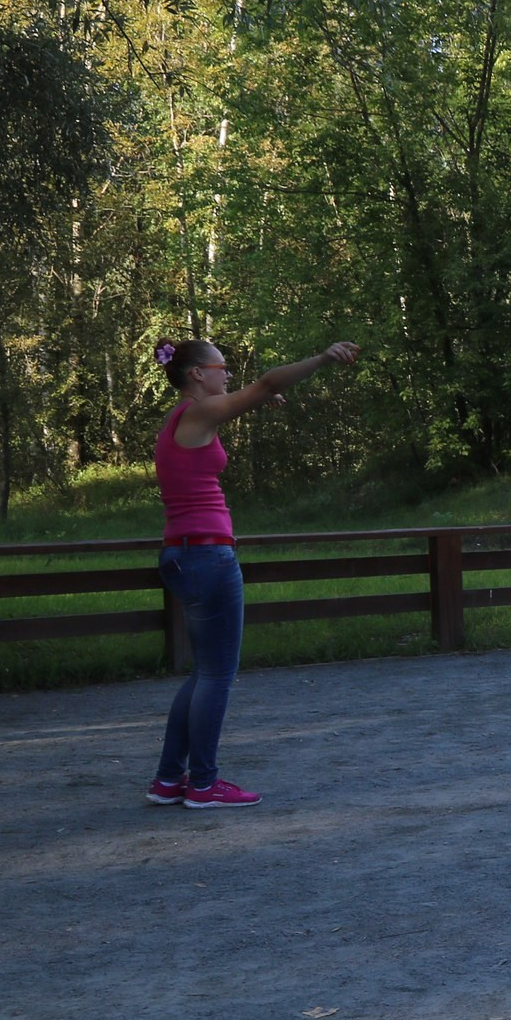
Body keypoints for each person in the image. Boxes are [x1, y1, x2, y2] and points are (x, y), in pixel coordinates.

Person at [147, 335, 360, 809]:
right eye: (221, 367)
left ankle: (169, 780)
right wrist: (322, 356)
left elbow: (252, 396)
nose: (227, 373)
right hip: (207, 557)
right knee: (217, 675)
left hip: (185, 554)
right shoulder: (197, 413)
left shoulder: (183, 418)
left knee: (204, 673)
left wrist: (259, 399)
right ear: (197, 373)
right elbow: (264, 383)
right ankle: (203, 784)